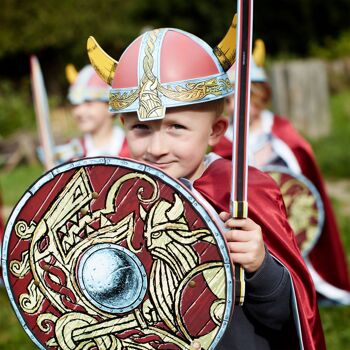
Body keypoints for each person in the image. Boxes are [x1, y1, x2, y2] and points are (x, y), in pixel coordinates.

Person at [87, 21, 325, 349]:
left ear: (216, 131)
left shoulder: (243, 191)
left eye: (176, 127)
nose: (156, 147)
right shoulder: (111, 199)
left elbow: (287, 316)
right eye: (141, 128)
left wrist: (260, 268)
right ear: (122, 125)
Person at [213, 39, 350, 305]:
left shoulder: (282, 134)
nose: (237, 107)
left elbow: (302, 186)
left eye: (245, 98)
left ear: (261, 95)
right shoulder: (221, 141)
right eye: (229, 100)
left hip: (284, 217)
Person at [53, 64, 130, 163]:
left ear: (111, 105)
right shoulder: (68, 156)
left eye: (88, 103)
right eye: (75, 105)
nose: (79, 112)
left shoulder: (133, 149)